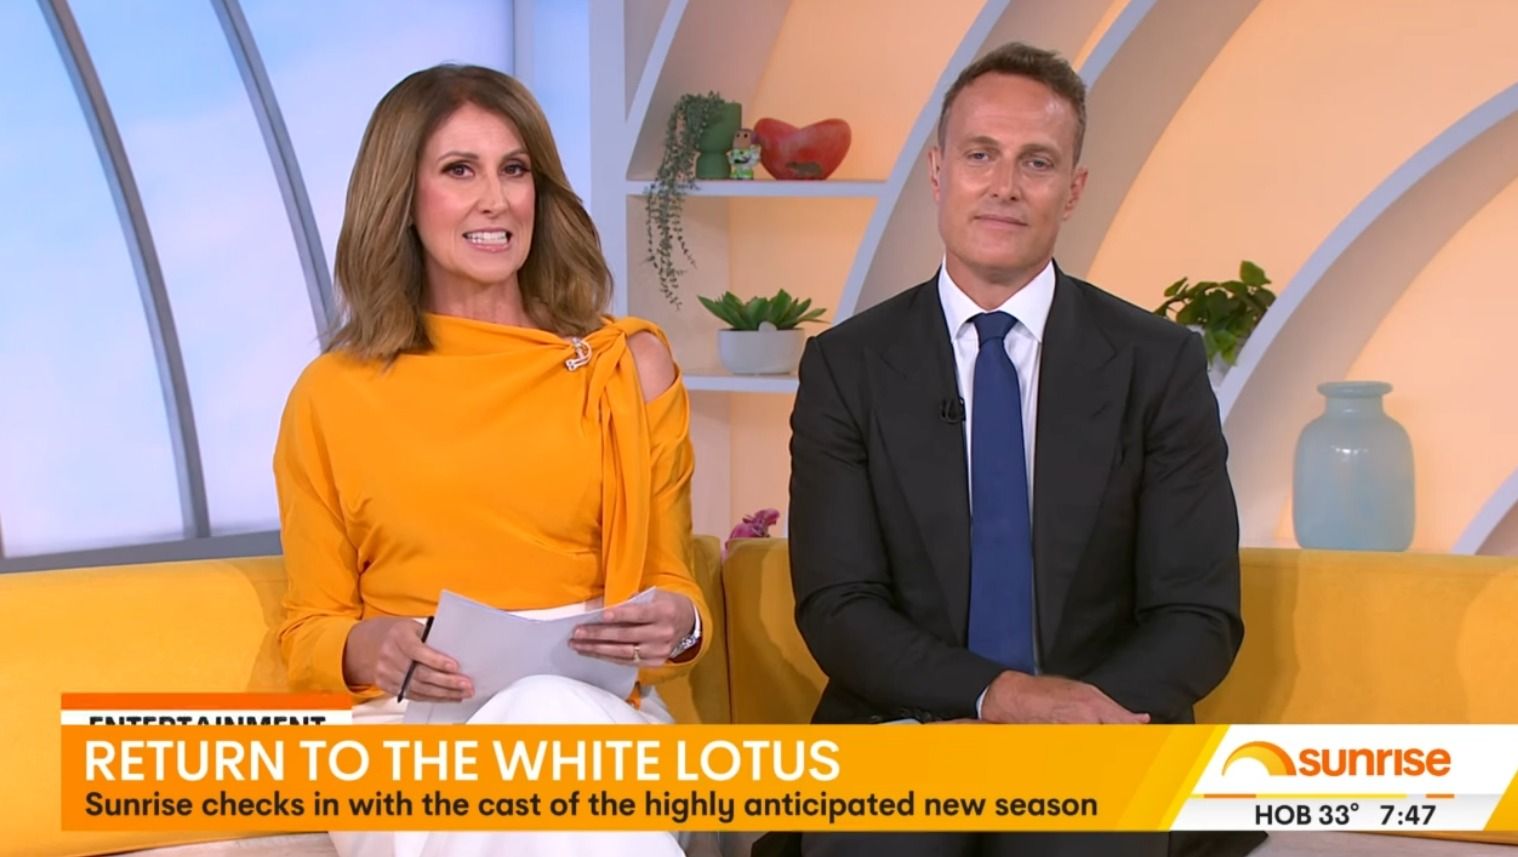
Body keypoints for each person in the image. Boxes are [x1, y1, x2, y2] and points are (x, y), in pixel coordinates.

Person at [784, 42, 1249, 857]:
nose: (1004, 185)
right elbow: (839, 604)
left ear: (1072, 190)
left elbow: (1197, 613)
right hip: (907, 726)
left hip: (1098, 731)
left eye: (1036, 161)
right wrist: (997, 697)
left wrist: (1076, 716)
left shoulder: (1157, 364)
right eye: (980, 155)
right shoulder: (847, 366)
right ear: (938, 172)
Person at [273, 64, 709, 857]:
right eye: (458, 170)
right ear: (401, 199)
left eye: (514, 169)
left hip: (597, 715)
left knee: (546, 712)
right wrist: (371, 646)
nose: (496, 200)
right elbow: (309, 629)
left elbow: (669, 580)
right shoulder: (330, 394)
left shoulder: (627, 365)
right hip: (406, 729)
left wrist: (679, 624)